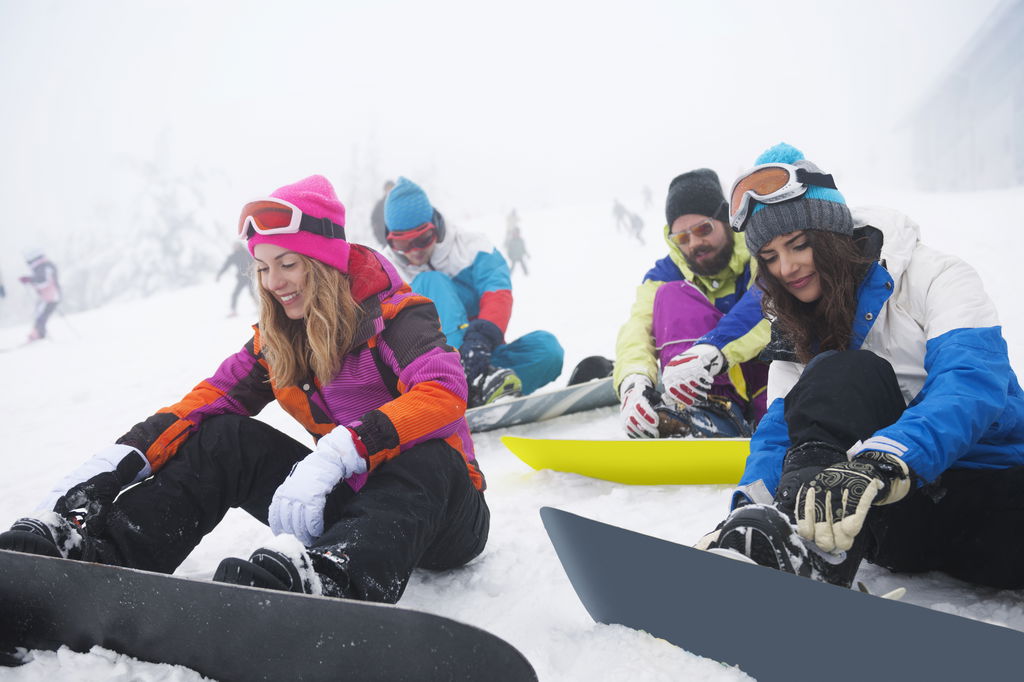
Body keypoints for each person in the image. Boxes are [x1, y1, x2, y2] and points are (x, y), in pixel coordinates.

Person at [0, 175, 490, 604]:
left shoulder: (397, 316)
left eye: (288, 263)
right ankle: (105, 555)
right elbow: (207, 401)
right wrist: (124, 456)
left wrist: (345, 449)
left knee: (428, 456)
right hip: (349, 507)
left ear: (322, 262)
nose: (273, 281)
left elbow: (443, 392)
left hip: (445, 514)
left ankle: (331, 581)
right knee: (224, 438)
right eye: (262, 267)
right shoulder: (279, 340)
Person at [699, 143, 1024, 591]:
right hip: (891, 519)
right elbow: (779, 431)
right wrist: (747, 512)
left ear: (830, 235)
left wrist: (888, 459)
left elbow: (971, 383)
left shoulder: (936, 276)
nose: (787, 267)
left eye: (798, 245)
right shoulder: (794, 324)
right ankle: (802, 553)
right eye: (770, 257)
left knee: (851, 370)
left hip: (991, 488)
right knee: (837, 371)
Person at [614, 168, 769, 439]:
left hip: (769, 378)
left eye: (703, 229)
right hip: (708, 395)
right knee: (670, 296)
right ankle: (705, 411)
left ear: (724, 219)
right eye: (683, 238)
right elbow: (638, 328)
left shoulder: (762, 249)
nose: (695, 243)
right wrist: (633, 380)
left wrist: (714, 349)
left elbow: (768, 303)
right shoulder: (666, 273)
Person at [383, 177, 564, 408]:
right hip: (429, 371)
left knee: (548, 349)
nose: (414, 251)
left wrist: (480, 340)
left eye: (423, 239)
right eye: (403, 244)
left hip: (480, 355)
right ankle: (458, 383)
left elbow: (497, 294)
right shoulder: (386, 272)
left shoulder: (473, 248)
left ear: (436, 227)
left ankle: (479, 387)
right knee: (431, 281)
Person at [18, 248, 61, 342]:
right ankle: (38, 335)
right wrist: (30, 280)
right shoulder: (42, 266)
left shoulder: (44, 266)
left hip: (51, 296)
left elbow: (44, 281)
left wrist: (30, 280)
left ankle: (38, 335)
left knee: (41, 316)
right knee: (40, 315)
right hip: (47, 295)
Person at [215, 242, 256, 317]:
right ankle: (233, 311)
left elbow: (255, 262)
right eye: (234, 246)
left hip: (250, 277)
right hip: (241, 279)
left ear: (240, 246)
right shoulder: (233, 256)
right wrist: (219, 275)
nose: (235, 248)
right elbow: (225, 266)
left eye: (237, 246)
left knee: (252, 293)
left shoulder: (247, 253)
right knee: (235, 294)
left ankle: (259, 308)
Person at [370, 179, 396, 248]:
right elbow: (374, 222)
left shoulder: (400, 203)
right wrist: (381, 239)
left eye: (392, 188)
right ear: (385, 190)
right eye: (388, 188)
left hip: (401, 242)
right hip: (385, 242)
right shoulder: (379, 205)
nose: (390, 190)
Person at [504, 211, 530, 276]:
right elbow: (509, 249)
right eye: (515, 233)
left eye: (517, 233)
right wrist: (509, 255)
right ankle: (509, 274)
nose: (516, 234)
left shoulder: (521, 240)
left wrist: (527, 254)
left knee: (523, 264)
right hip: (514, 257)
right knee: (512, 266)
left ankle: (526, 274)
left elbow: (523, 248)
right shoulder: (511, 241)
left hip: (519, 256)